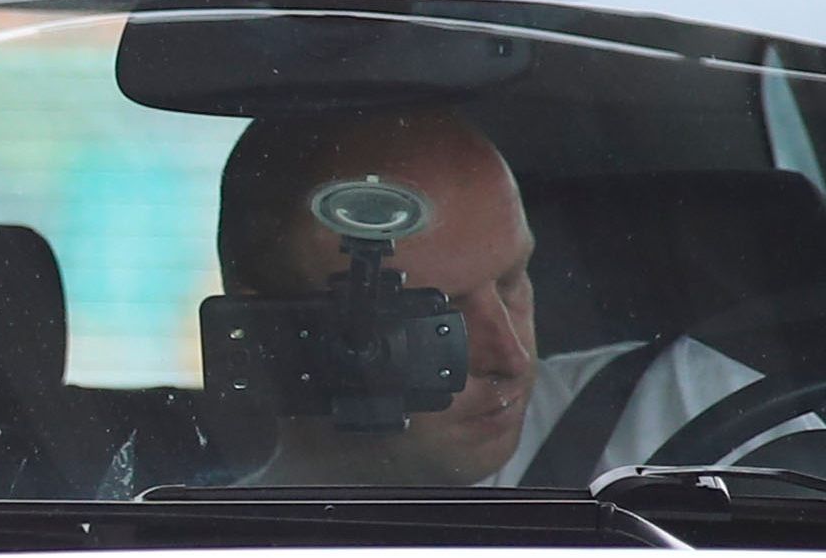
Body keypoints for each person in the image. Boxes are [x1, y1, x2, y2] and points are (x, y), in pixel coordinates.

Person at [213, 106, 758, 486]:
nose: (513, 359)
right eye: (437, 318)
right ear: (275, 335)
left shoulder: (688, 419)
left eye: (512, 280)